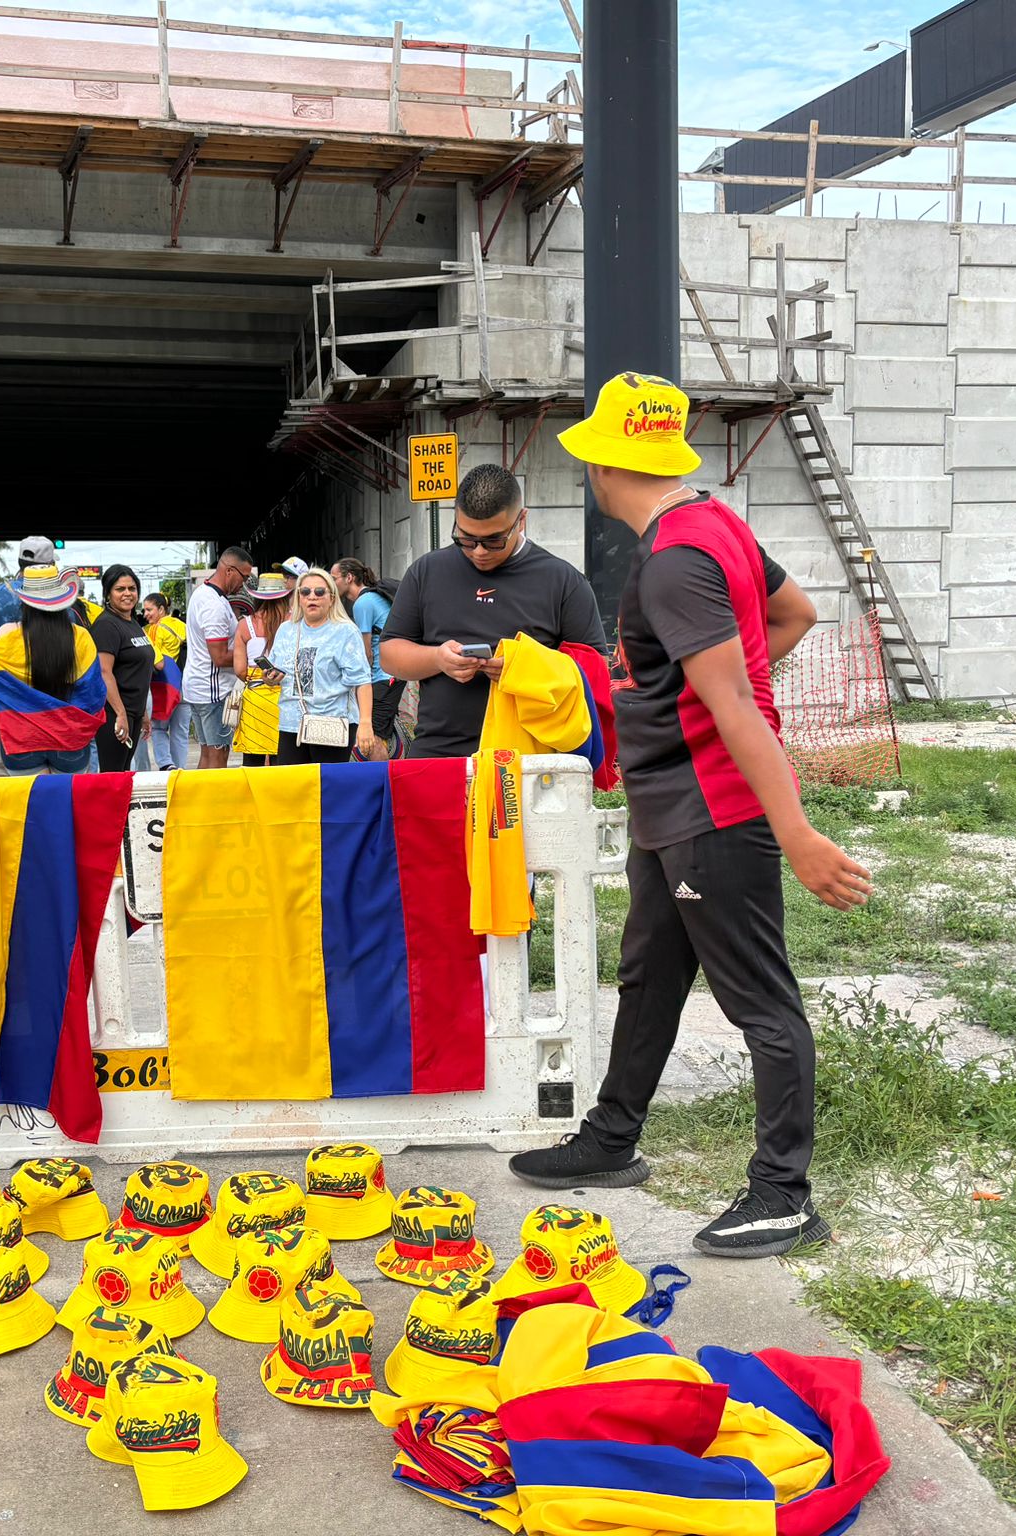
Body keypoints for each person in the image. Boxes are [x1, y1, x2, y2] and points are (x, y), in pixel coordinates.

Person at [508, 372, 872, 1262]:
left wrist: (797, 832)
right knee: (650, 975)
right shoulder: (716, 526)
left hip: (716, 812)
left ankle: (783, 1196)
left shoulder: (670, 564)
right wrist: (690, 687)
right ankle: (612, 1136)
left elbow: (740, 707)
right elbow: (794, 614)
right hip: (671, 808)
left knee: (761, 1004)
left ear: (601, 464)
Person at [381, 463, 609, 759]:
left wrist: (525, 668)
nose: (478, 552)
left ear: (521, 520)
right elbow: (389, 655)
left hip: (529, 757)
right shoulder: (426, 571)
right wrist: (438, 658)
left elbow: (595, 672)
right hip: (440, 752)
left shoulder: (563, 580)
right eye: (465, 538)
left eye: (493, 541)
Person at [0, 566, 106, 775]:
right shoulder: (80, 637)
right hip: (70, 742)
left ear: (24, 601)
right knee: (66, 805)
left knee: (31, 805)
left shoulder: (5, 635)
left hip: (22, 742)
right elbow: (95, 695)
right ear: (62, 600)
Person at [0, 536, 57, 776]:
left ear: (19, 560)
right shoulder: (59, 601)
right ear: (50, 566)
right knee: (39, 785)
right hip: (45, 708)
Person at [267, 567, 376, 766]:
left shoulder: (345, 631)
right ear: (298, 597)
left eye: (319, 592)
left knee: (330, 789)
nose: (312, 597)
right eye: (305, 592)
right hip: (292, 724)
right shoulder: (286, 630)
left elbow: (362, 681)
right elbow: (278, 671)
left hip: (332, 723)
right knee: (295, 789)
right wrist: (271, 677)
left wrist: (365, 723)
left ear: (332, 598)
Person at [185, 546, 254, 769]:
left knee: (207, 753)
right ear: (229, 570)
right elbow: (220, 656)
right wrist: (251, 655)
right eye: (243, 577)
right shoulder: (214, 605)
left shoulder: (204, 594)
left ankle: (200, 802)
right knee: (218, 755)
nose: (243, 583)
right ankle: (216, 802)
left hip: (199, 687)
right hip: (212, 690)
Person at [332, 557, 403, 758]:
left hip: (383, 676)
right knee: (379, 732)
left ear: (349, 578)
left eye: (334, 578)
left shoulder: (362, 603)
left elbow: (366, 653)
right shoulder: (374, 598)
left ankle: (383, 784)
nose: (331, 584)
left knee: (373, 737)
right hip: (392, 673)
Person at [90, 564, 154, 773]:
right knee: (112, 775)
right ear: (108, 593)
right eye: (120, 589)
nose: (127, 593)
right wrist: (121, 714)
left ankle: (121, 808)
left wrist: (142, 711)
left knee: (124, 771)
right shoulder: (107, 625)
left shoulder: (132, 622)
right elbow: (104, 672)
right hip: (113, 713)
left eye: (132, 588)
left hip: (133, 711)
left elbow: (136, 671)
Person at [232, 570, 294, 768]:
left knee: (253, 762)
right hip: (287, 698)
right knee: (284, 758)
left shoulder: (245, 625)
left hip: (256, 701)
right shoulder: (295, 623)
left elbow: (240, 670)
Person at [141, 591, 190, 771]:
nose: (145, 614)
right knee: (180, 732)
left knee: (159, 728)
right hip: (185, 684)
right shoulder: (182, 625)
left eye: (149, 610)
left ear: (161, 609)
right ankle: (179, 770)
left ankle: (166, 765)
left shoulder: (153, 630)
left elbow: (156, 661)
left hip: (166, 686)